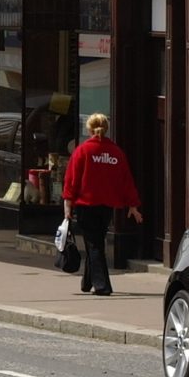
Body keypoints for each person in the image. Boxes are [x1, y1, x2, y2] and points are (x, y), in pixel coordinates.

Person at [62, 112, 142, 298]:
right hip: (106, 206)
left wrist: (67, 206)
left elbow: (71, 181)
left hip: (86, 205)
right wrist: (133, 205)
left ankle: (102, 285)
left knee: (94, 244)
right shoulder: (116, 152)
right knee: (96, 241)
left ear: (89, 129)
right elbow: (126, 180)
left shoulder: (82, 151)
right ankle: (87, 282)